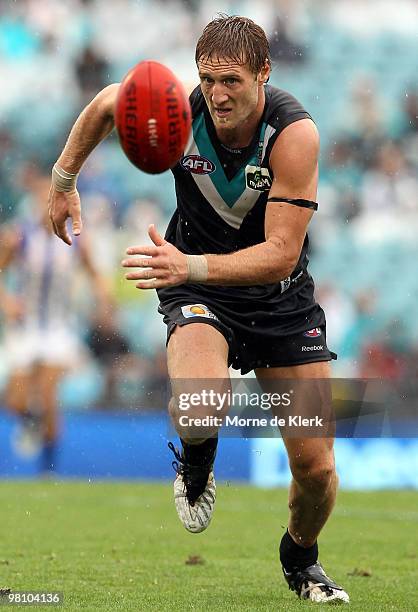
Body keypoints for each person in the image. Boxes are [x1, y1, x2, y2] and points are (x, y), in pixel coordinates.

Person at [48, 15, 349, 604]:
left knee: (316, 471)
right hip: (197, 291)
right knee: (200, 404)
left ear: (265, 73)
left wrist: (189, 265)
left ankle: (300, 556)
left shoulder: (294, 134)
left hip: (279, 301)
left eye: (232, 80)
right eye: (208, 79)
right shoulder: (176, 111)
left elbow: (282, 256)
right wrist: (63, 180)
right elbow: (110, 103)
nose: (217, 94)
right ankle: (196, 464)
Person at [0, 164, 111, 473]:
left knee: (48, 397)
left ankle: (48, 470)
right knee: (15, 402)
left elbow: (95, 273)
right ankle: (33, 426)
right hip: (25, 328)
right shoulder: (18, 237)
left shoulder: (75, 242)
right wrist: (7, 301)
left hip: (58, 329)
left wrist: (103, 298)